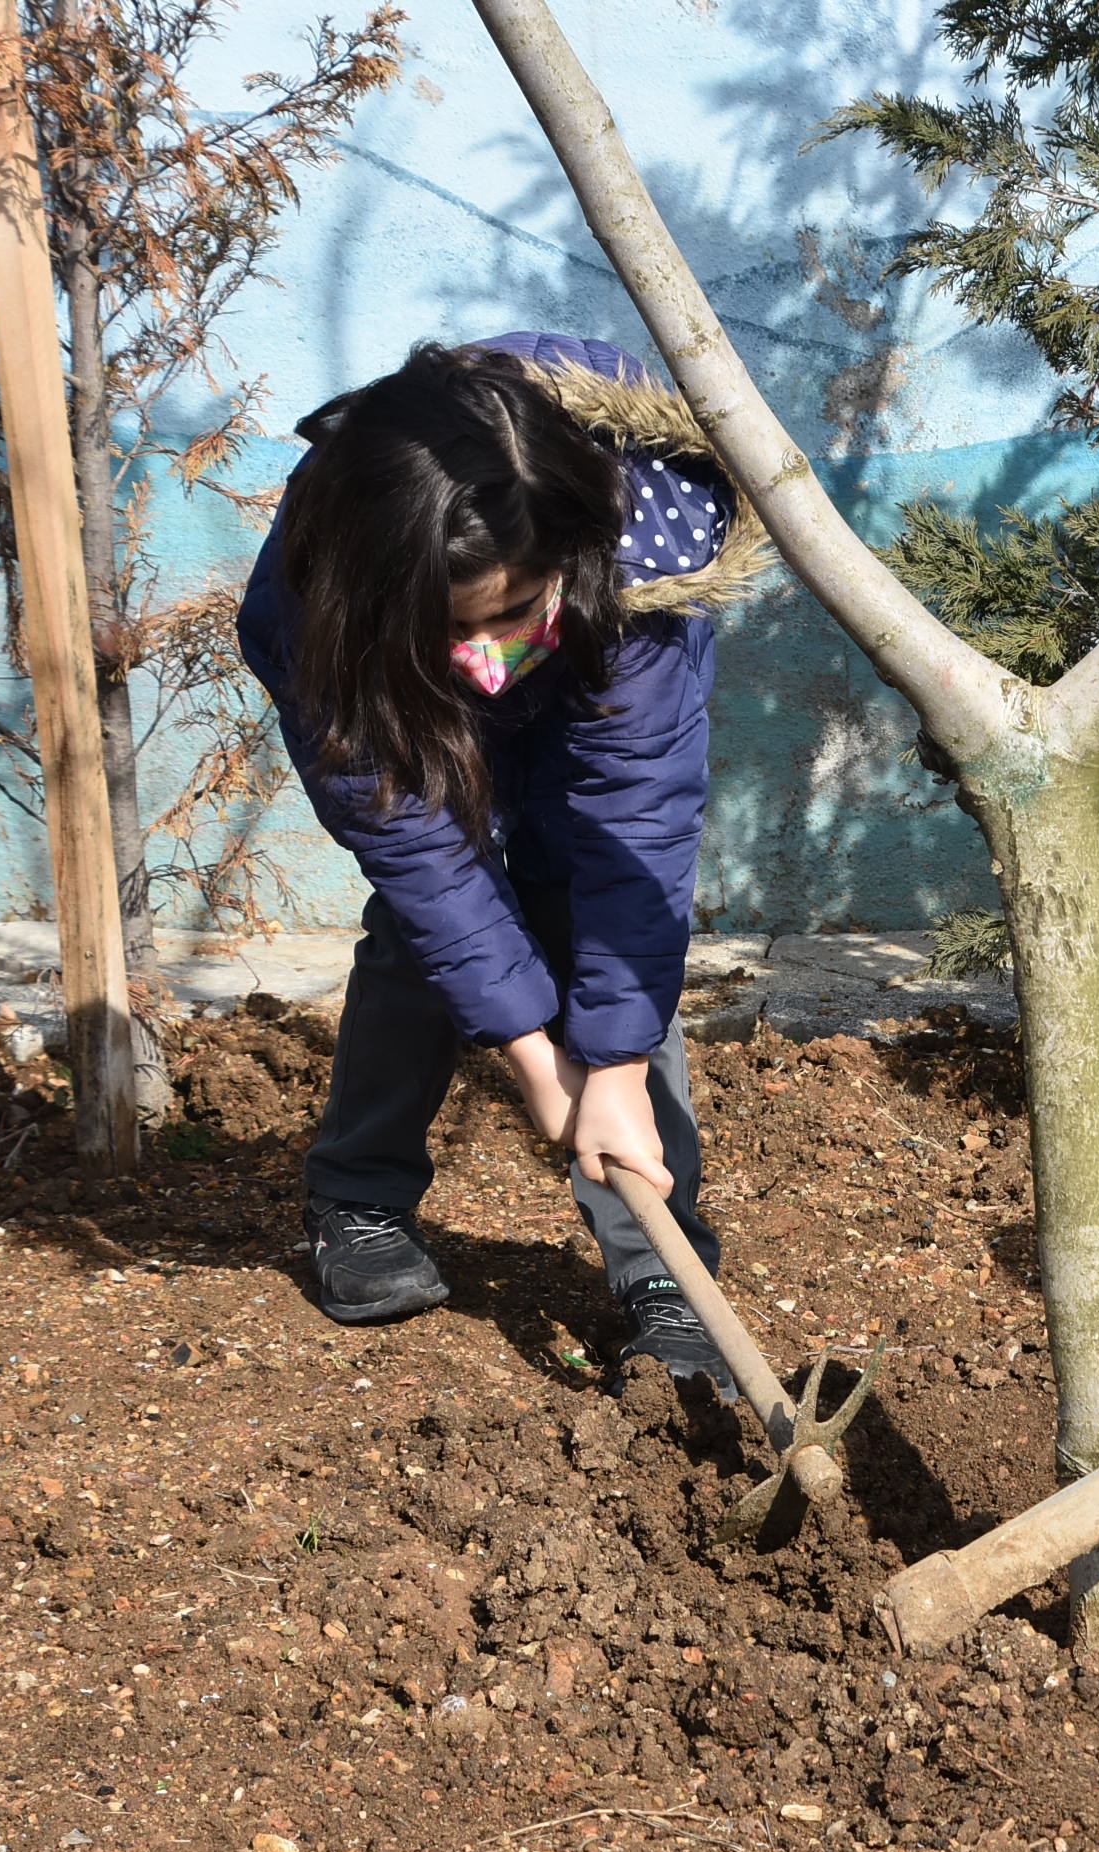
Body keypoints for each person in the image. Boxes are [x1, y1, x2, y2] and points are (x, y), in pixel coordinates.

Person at [237, 333, 772, 1395]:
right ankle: (358, 1195)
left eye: (518, 606)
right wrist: (540, 1068)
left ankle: (663, 1270)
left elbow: (639, 829)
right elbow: (418, 850)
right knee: (428, 922)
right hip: (392, 689)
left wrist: (608, 1069)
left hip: (598, 646)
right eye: (459, 623)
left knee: (597, 905)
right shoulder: (328, 584)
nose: (491, 647)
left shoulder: (646, 558)